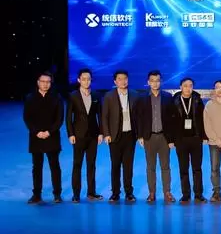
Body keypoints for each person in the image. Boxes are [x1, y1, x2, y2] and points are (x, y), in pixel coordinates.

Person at [135, 70, 176, 203]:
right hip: (149, 137)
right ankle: (151, 193)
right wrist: (140, 136)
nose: (155, 83)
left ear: (161, 81)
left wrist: (171, 138)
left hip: (164, 137)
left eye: (157, 80)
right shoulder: (142, 98)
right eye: (152, 81)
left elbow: (172, 119)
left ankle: (167, 192)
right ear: (148, 82)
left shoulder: (168, 97)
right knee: (150, 167)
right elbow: (139, 118)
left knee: (165, 166)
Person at [23, 71, 63, 204]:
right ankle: (36, 195)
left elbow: (59, 119)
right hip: (36, 137)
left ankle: (57, 194)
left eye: (48, 82)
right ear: (38, 82)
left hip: (52, 136)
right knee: (37, 167)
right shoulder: (30, 98)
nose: (45, 84)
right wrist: (36, 132)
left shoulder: (57, 98)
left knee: (54, 166)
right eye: (43, 81)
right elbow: (27, 118)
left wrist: (49, 132)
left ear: (51, 84)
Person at [66, 68, 103, 202]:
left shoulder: (96, 95)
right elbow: (68, 117)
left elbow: (100, 115)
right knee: (77, 164)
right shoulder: (73, 96)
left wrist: (101, 132)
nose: (86, 81)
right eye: (84, 79)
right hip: (78, 135)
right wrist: (71, 134)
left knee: (91, 164)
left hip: (93, 135)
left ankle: (91, 192)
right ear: (79, 80)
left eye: (88, 79)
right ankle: (76, 194)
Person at [102, 70, 138, 202]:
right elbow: (104, 116)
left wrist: (139, 134)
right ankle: (115, 193)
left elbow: (139, 116)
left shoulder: (134, 95)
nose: (123, 81)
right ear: (115, 81)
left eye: (125, 78)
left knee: (128, 166)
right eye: (120, 79)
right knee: (115, 165)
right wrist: (106, 134)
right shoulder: (109, 96)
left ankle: (129, 192)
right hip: (115, 136)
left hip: (130, 136)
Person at [173, 77, 207, 203]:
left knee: (197, 168)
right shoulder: (174, 101)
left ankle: (198, 194)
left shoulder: (198, 100)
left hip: (196, 139)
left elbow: (203, 119)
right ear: (180, 87)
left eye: (190, 85)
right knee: (183, 168)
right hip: (181, 140)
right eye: (185, 85)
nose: (188, 88)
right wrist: (171, 139)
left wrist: (204, 136)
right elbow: (170, 121)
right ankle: (185, 194)